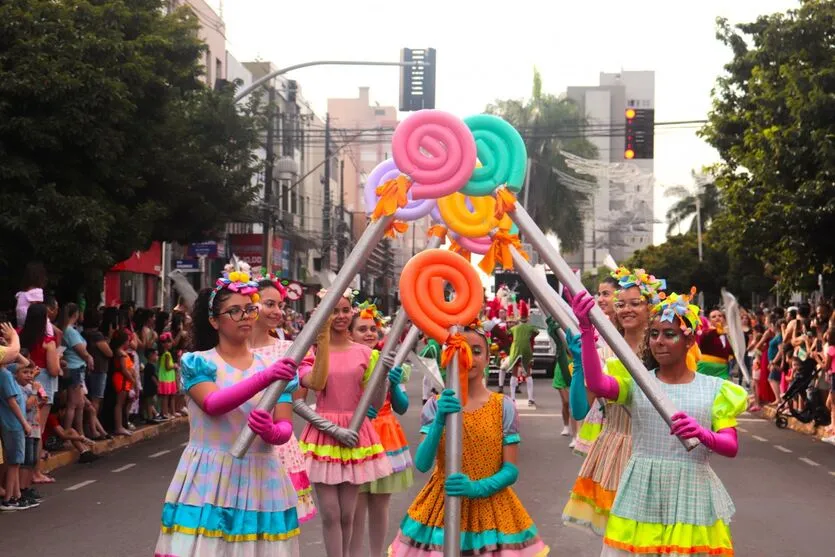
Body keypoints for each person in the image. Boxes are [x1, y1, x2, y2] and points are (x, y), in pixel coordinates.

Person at [571, 289, 747, 556]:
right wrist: (586, 329)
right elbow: (597, 384)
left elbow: (730, 445)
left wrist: (703, 434)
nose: (659, 342)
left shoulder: (715, 389)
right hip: (641, 490)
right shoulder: (639, 382)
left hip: (691, 493)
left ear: (689, 341)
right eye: (654, 334)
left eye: (669, 334)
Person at [154, 268, 302, 557]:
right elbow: (213, 404)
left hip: (263, 477)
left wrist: (271, 432)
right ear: (214, 321)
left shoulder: (276, 367)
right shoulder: (198, 362)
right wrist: (266, 377)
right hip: (209, 477)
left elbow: (285, 427)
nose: (245, 316)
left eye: (249, 308)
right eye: (234, 311)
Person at [388, 320, 549, 556]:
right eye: (462, 349)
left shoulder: (503, 406)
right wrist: (440, 420)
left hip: (491, 509)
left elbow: (511, 469)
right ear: (449, 356)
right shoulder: (435, 405)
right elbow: (422, 464)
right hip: (442, 507)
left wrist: (477, 487)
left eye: (477, 351)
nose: (470, 358)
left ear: (488, 358)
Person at [562, 267, 664, 536]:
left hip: (654, 449)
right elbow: (580, 408)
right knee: (618, 535)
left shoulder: (662, 351)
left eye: (635, 303)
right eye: (621, 304)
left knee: (653, 536)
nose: (627, 310)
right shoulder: (603, 351)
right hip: (614, 447)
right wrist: (581, 363)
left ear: (651, 308)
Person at [298, 289, 392, 557]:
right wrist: (331, 428)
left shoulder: (365, 353)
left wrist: (383, 374)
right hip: (323, 435)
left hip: (355, 432)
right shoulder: (311, 351)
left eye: (344, 310)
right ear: (322, 313)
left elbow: (375, 403)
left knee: (348, 515)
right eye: (333, 310)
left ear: (352, 311)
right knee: (330, 514)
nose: (340, 316)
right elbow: (298, 400)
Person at [250, 273, 330, 526]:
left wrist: (323, 336)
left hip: (277, 448)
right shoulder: (229, 350)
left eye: (280, 306)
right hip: (236, 443)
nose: (277, 311)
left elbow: (314, 383)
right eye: (269, 304)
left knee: (277, 532)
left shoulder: (290, 349)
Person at [348, 304, 414, 557]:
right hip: (356, 438)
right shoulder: (345, 362)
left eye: (372, 329)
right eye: (361, 329)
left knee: (380, 505)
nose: (368, 334)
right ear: (350, 333)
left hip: (386, 436)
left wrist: (394, 385)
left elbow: (403, 406)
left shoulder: (389, 362)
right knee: (356, 506)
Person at [0, 353, 36, 511]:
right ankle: (9, 499)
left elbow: (26, 363)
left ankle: (16, 496)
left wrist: (10, 346)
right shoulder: (6, 375)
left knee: (14, 462)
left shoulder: (6, 372)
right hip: (14, 423)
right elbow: (12, 402)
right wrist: (24, 424)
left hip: (12, 423)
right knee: (14, 463)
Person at [506, 299, 539, 406]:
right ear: (527, 318)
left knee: (514, 374)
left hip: (515, 351)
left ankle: (513, 398)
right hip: (527, 351)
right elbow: (536, 332)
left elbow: (507, 333)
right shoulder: (530, 328)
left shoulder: (514, 328)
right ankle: (530, 398)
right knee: (528, 374)